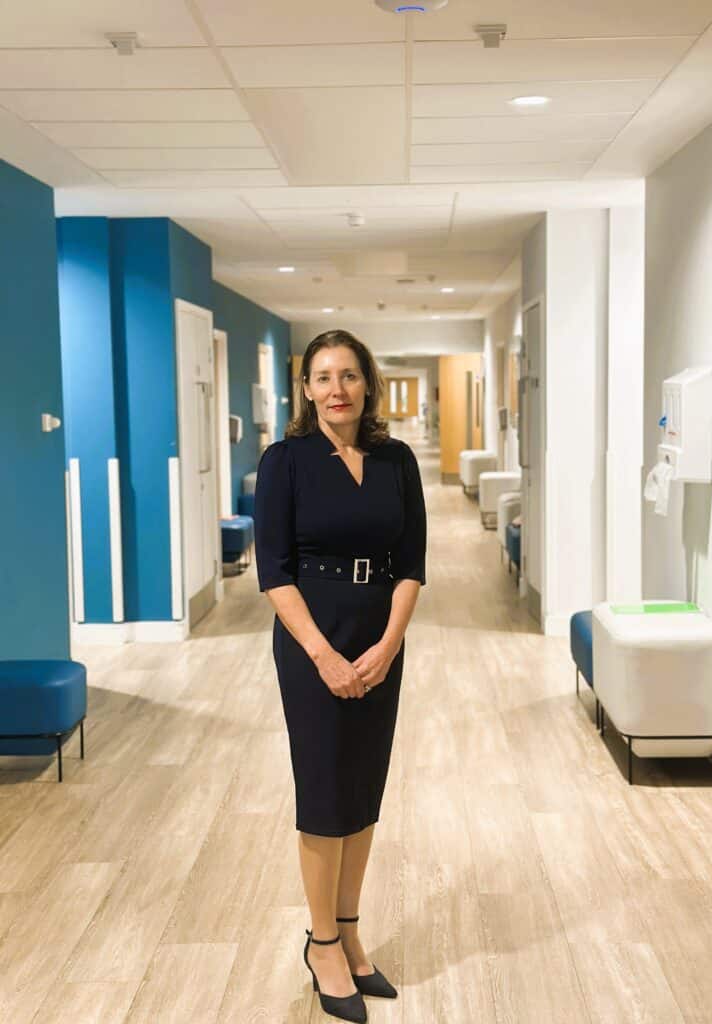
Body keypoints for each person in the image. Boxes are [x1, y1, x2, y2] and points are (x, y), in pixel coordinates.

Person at [253, 329, 427, 1024]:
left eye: (349, 375)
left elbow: (412, 561)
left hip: (379, 636)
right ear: (305, 389)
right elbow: (273, 571)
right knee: (325, 790)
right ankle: (321, 941)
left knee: (363, 786)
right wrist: (323, 655)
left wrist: (388, 644)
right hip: (310, 637)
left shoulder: (396, 460)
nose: (336, 389)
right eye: (323, 377)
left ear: (367, 384)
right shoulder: (286, 461)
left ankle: (352, 933)